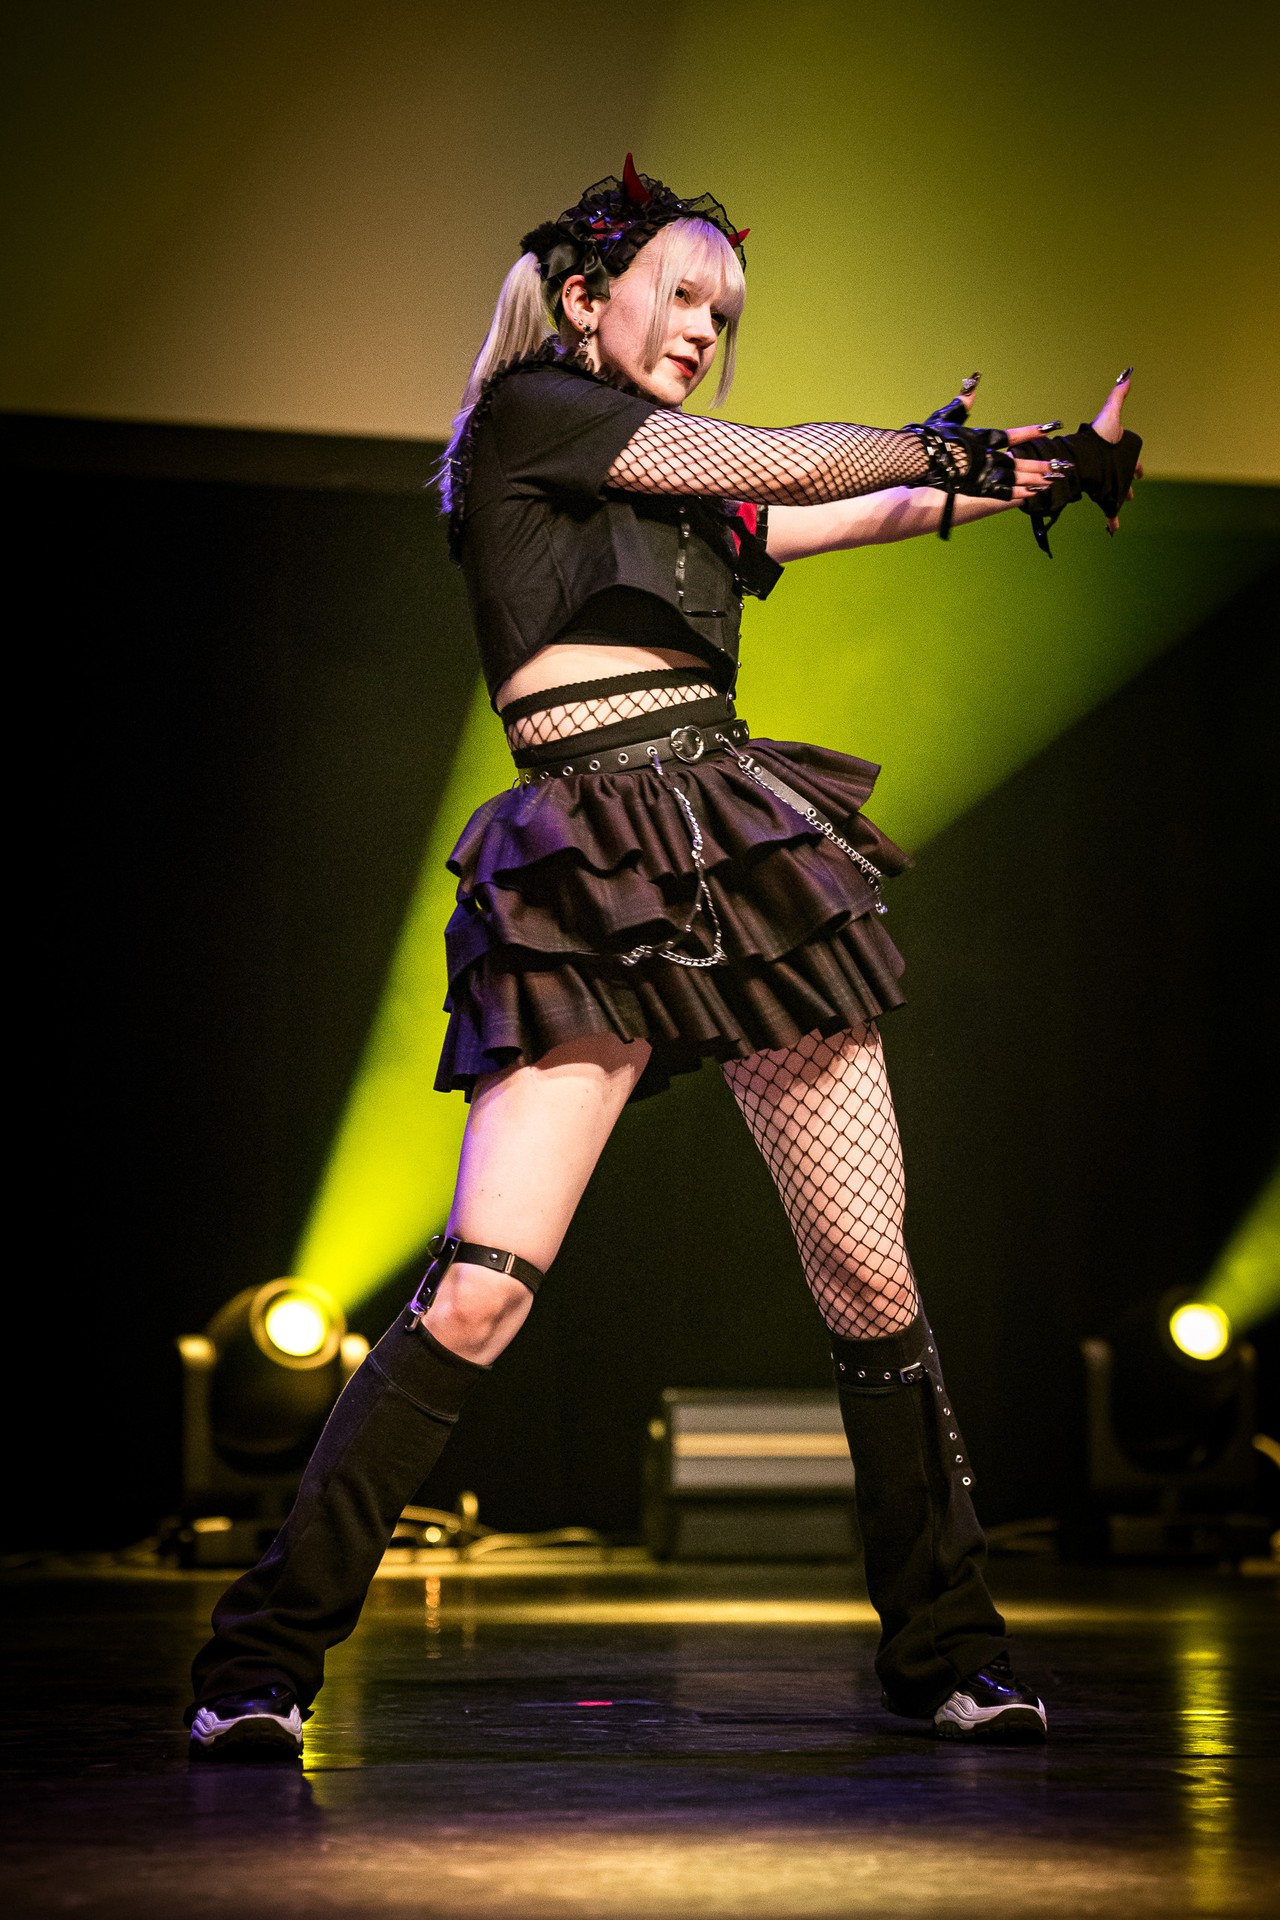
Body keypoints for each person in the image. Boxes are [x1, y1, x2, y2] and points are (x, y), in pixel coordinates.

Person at [186, 157, 1141, 1758]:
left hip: (742, 852)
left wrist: (1042, 472)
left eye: (726, 311)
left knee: (871, 1277)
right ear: (585, 299)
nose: (707, 326)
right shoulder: (533, 416)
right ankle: (260, 1660)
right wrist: (954, 445)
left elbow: (852, 503)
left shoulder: (688, 485)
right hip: (584, 870)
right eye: (682, 295)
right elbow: (789, 455)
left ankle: (951, 1651)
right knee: (480, 1294)